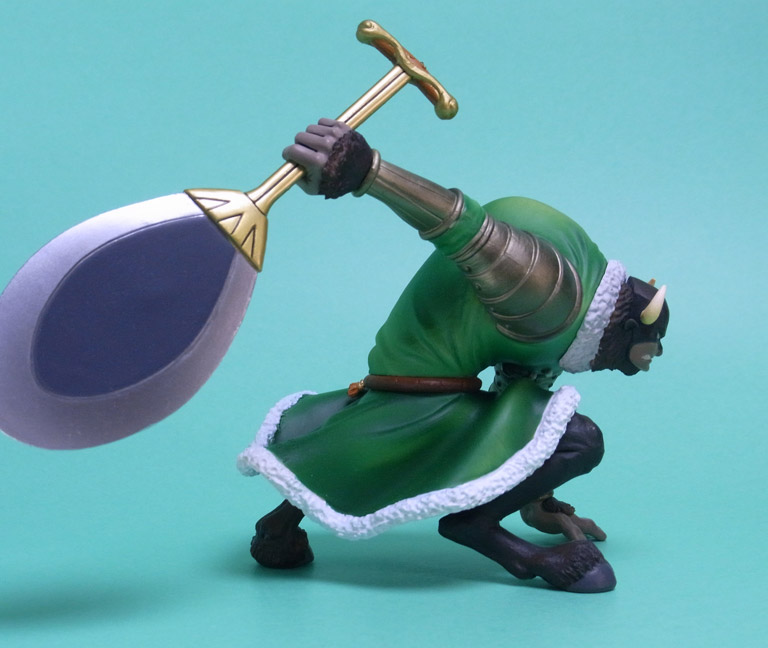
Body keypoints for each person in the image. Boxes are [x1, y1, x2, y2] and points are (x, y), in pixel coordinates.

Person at [237, 119, 670, 593]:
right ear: (630, 326)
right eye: (652, 345)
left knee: (546, 432)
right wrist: (370, 172)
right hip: (423, 394)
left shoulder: (567, 319)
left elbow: (526, 408)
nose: (653, 357)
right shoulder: (558, 301)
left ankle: (279, 526)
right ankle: (486, 532)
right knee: (582, 442)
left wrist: (538, 502)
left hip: (420, 381)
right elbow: (464, 229)